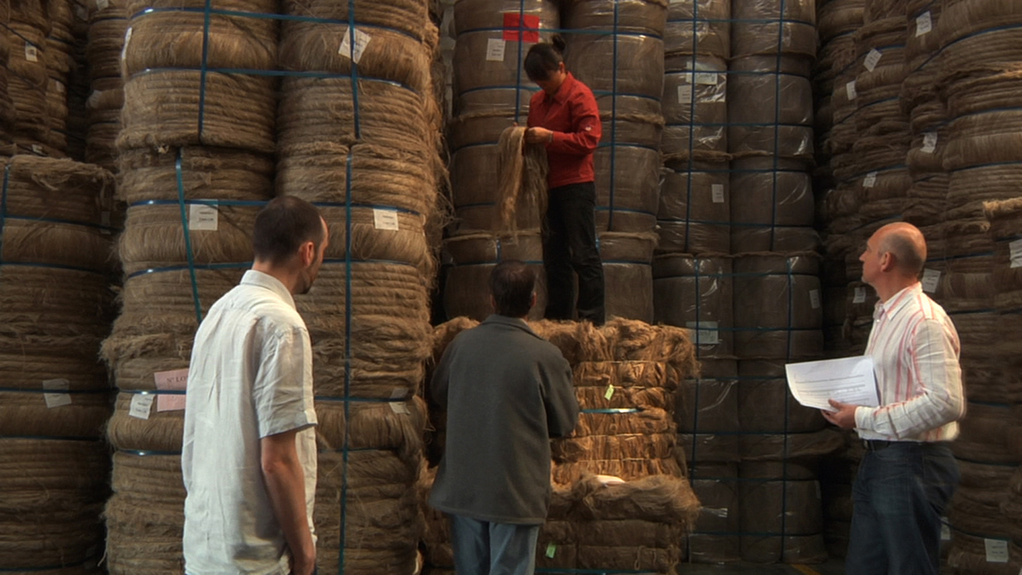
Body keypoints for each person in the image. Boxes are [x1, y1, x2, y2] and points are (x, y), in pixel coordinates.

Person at [182, 196, 329, 575]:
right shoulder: (282, 325)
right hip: (255, 557)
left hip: (206, 546)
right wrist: (305, 553)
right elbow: (277, 460)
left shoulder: (218, 313)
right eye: (323, 252)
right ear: (307, 252)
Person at [823, 222, 965, 575]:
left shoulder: (923, 320)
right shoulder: (886, 315)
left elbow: (946, 401)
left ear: (885, 260)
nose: (862, 256)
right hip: (881, 459)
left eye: (868, 250)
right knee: (865, 567)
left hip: (911, 462)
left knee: (908, 568)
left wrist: (863, 417)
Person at [429, 260, 580, 575]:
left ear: (492, 300)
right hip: (516, 494)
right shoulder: (546, 356)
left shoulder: (461, 345)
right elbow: (565, 422)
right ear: (533, 300)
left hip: (465, 489)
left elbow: (440, 394)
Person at [524, 36, 605, 325]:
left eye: (546, 79)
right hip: (548, 187)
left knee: (583, 254)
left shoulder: (580, 96)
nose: (543, 86)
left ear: (561, 68)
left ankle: (591, 320)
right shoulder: (537, 101)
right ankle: (558, 318)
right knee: (554, 257)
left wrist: (550, 137)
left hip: (575, 185)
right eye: (538, 82)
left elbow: (589, 140)